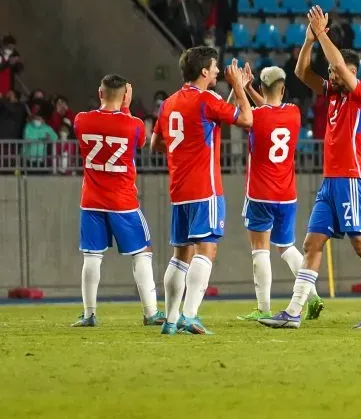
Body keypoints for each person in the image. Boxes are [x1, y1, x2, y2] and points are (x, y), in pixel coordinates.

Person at [260, 6, 361, 329]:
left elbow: (340, 67)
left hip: (352, 180)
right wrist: (308, 40)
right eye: (331, 73)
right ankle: (293, 312)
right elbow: (302, 73)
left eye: (337, 72)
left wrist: (323, 34)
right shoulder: (332, 95)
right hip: (330, 182)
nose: (331, 76)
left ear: (353, 74)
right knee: (311, 244)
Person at [151, 47, 253, 335]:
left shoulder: (169, 103)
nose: (219, 71)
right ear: (204, 71)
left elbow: (155, 144)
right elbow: (247, 119)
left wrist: (182, 147)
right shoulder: (207, 99)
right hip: (205, 187)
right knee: (206, 249)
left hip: (180, 189)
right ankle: (190, 315)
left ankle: (170, 320)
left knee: (180, 254)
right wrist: (240, 88)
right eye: (215, 67)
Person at [71, 75, 164, 328]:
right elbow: (139, 141)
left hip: (91, 200)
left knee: (91, 257)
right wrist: (126, 107)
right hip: (122, 201)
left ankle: (89, 314)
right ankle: (151, 312)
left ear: (100, 93)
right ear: (125, 95)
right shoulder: (133, 124)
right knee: (142, 253)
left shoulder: (81, 120)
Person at [235, 65, 320, 322]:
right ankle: (312, 295)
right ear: (283, 89)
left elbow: (253, 114)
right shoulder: (293, 114)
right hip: (287, 194)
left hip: (260, 193)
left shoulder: (256, 117)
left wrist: (241, 87)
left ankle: (263, 308)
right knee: (286, 247)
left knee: (260, 250)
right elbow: (269, 109)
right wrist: (251, 89)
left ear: (261, 88)